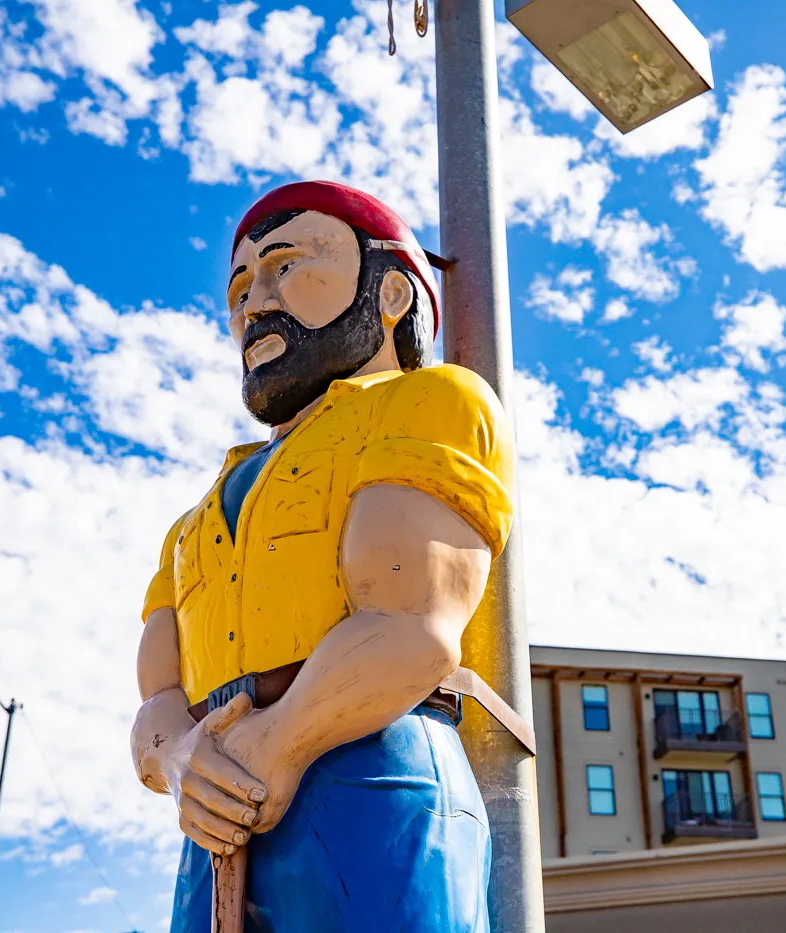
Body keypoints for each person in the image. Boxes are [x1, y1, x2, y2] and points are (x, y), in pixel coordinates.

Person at [129, 181, 517, 932]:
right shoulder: (193, 519)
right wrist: (181, 764)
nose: (253, 303)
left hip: (373, 771)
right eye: (240, 287)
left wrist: (283, 738)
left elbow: (411, 621)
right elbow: (156, 696)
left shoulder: (425, 401)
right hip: (216, 817)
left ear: (395, 292)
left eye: (286, 265)